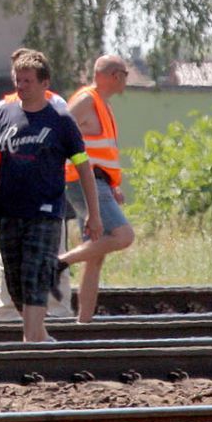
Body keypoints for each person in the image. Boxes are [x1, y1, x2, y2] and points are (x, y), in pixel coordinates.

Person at [0, 48, 99, 343]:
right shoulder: (2, 113)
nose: (20, 87)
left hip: (46, 213)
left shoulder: (60, 120)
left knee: (35, 275)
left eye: (27, 81)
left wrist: (93, 215)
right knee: (17, 282)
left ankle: (31, 344)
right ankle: (41, 337)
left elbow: (84, 167)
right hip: (9, 211)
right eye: (17, 81)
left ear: (44, 83)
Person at [56, 54, 136, 321]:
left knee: (95, 254)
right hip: (83, 182)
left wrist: (112, 185)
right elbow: (59, 129)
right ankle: (58, 263)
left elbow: (100, 151)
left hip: (96, 182)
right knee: (123, 236)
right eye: (125, 74)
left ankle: (84, 324)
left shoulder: (103, 104)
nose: (126, 80)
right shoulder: (88, 99)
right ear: (115, 75)